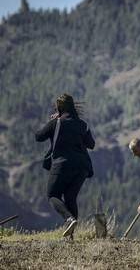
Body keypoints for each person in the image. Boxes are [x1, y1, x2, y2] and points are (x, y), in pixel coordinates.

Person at [35, 94, 95, 238]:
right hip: (82, 167)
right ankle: (70, 237)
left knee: (52, 195)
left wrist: (52, 122)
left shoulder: (56, 123)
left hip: (62, 164)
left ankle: (69, 219)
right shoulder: (83, 124)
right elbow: (91, 144)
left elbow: (38, 136)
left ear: (59, 107)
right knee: (70, 197)